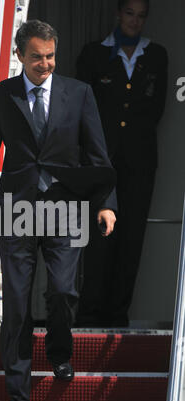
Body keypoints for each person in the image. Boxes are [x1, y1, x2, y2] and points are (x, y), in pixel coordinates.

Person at [0, 20, 116, 401]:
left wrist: (106, 203)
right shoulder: (1, 96)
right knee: (16, 302)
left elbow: (97, 156)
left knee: (64, 291)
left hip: (66, 208)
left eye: (50, 57)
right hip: (17, 210)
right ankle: (18, 396)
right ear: (20, 55)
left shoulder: (79, 94)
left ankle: (59, 352)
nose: (45, 64)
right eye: (37, 57)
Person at [75, 0, 168, 328]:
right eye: (130, 13)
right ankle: (88, 316)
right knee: (99, 239)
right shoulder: (94, 53)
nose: (135, 21)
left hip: (140, 162)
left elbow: (156, 108)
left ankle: (117, 316)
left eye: (141, 16)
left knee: (131, 240)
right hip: (102, 163)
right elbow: (82, 110)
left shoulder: (156, 55)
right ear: (118, 14)